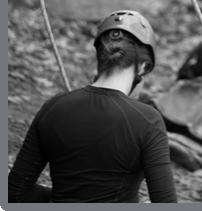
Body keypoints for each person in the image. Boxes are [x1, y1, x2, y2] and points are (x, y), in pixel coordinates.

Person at [8, 11, 177, 203]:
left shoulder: (53, 107)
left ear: (100, 56)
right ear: (143, 66)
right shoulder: (148, 120)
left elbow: (14, 192)